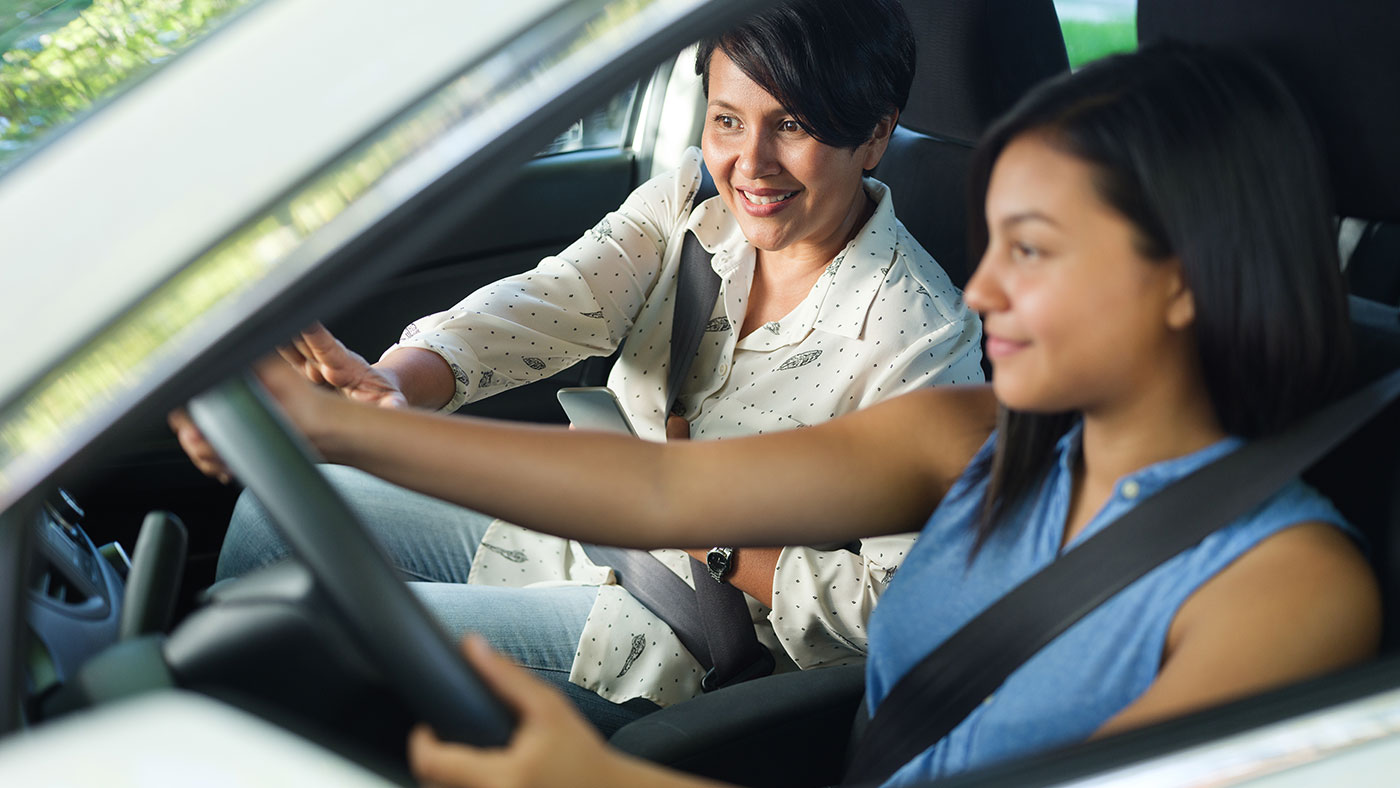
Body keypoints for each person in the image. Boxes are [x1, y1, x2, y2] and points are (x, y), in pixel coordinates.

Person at [231, 42, 1382, 787]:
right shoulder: (976, 437)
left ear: (1183, 273)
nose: (980, 289)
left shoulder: (1287, 588)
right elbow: (661, 490)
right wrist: (334, 422)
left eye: (1027, 252)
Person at [171, 0, 984, 734]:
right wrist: (393, 381)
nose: (752, 165)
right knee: (270, 516)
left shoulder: (920, 337)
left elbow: (899, 605)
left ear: (874, 132)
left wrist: (721, 545)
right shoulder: (687, 206)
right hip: (576, 535)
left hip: (678, 638)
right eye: (728, 120)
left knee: (297, 637)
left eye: (793, 126)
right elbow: (552, 301)